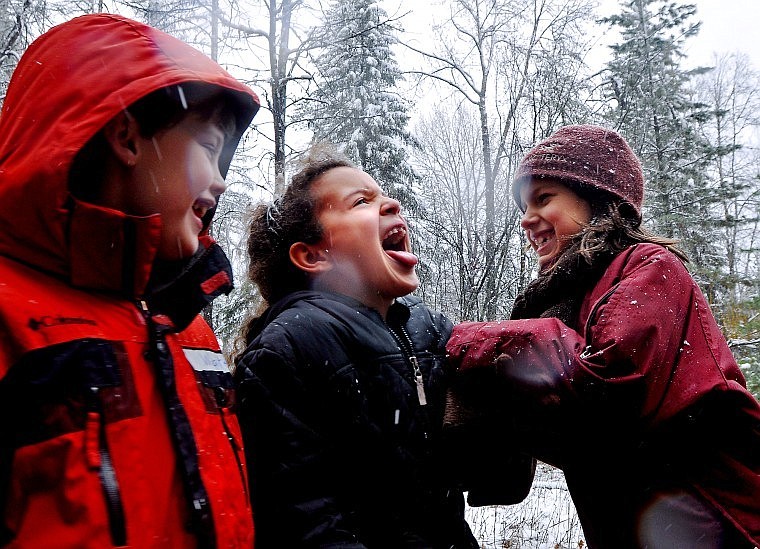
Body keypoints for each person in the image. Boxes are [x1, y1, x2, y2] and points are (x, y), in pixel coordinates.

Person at [0, 14, 260, 548]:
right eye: (209, 148)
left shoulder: (187, 327)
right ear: (127, 137)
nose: (221, 180)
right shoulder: (8, 318)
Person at [444, 125, 760, 548]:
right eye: (524, 205)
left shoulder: (651, 265)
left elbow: (612, 379)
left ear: (596, 199)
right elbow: (569, 426)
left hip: (720, 521)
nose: (525, 219)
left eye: (543, 198)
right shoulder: (570, 298)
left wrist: (467, 340)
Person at [232, 145, 532, 548]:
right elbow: (303, 522)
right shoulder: (288, 348)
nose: (392, 202)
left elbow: (489, 478)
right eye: (361, 201)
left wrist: (509, 406)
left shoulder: (430, 330)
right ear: (312, 255)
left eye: (383, 193)